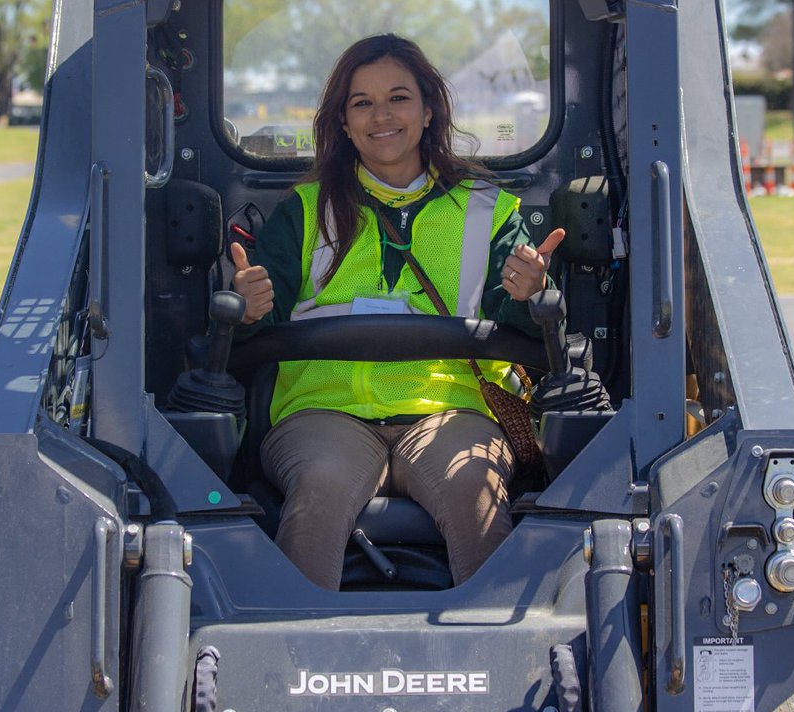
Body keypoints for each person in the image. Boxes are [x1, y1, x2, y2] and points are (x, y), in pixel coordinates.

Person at [231, 34, 564, 590]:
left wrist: (530, 293)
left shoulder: (486, 209)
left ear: (429, 110)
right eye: (362, 102)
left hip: (451, 411)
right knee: (320, 485)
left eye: (398, 98)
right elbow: (253, 325)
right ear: (343, 121)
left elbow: (524, 322)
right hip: (323, 413)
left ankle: (493, 637)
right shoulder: (304, 210)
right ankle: (295, 638)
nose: (381, 115)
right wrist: (248, 309)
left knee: (473, 487)